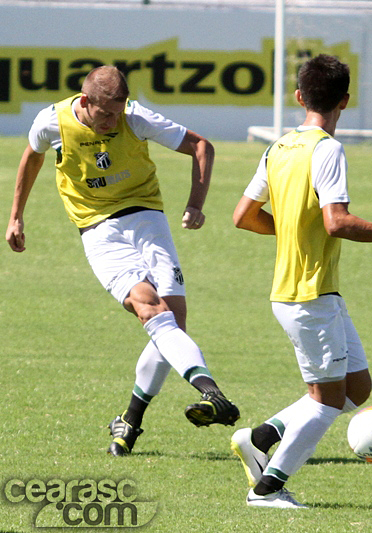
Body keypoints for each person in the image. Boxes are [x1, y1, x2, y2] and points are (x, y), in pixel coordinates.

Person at [230, 54, 372, 509]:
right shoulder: (327, 149)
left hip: (313, 291)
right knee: (327, 401)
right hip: (308, 295)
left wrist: (289, 229)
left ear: (299, 97)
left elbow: (243, 216)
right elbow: (336, 222)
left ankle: (259, 438)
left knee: (356, 390)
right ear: (346, 100)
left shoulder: (279, 146)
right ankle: (268, 489)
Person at [5, 66, 239, 456]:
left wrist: (196, 204)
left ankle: (129, 421)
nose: (114, 122)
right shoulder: (52, 122)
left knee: (173, 322)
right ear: (85, 102)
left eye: (119, 112)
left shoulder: (135, 117)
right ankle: (211, 392)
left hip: (147, 216)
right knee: (151, 308)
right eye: (106, 114)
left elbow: (202, 147)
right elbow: (32, 156)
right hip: (97, 229)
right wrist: (15, 215)